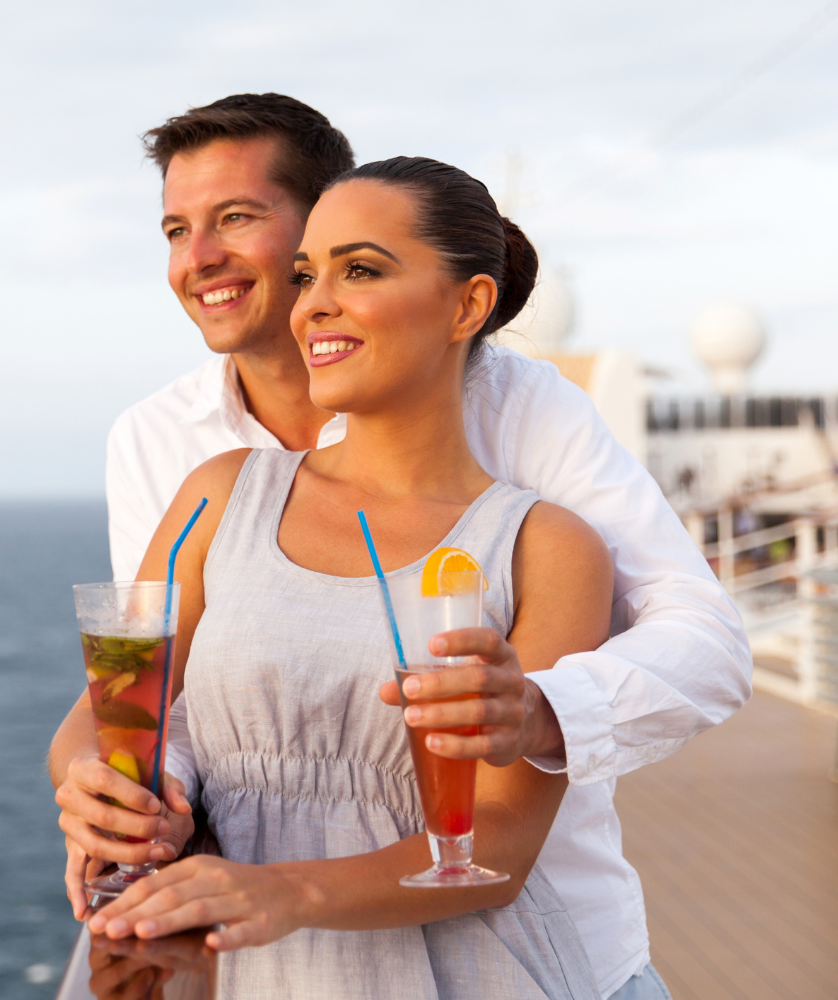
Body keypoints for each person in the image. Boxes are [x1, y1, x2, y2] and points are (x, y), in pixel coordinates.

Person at [50, 94, 751, 999]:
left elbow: (696, 638)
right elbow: (139, 702)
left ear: (466, 305)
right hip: (250, 951)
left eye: (236, 219)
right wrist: (107, 798)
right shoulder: (188, 468)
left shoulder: (537, 482)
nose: (200, 258)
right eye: (176, 229)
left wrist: (537, 710)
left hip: (514, 946)